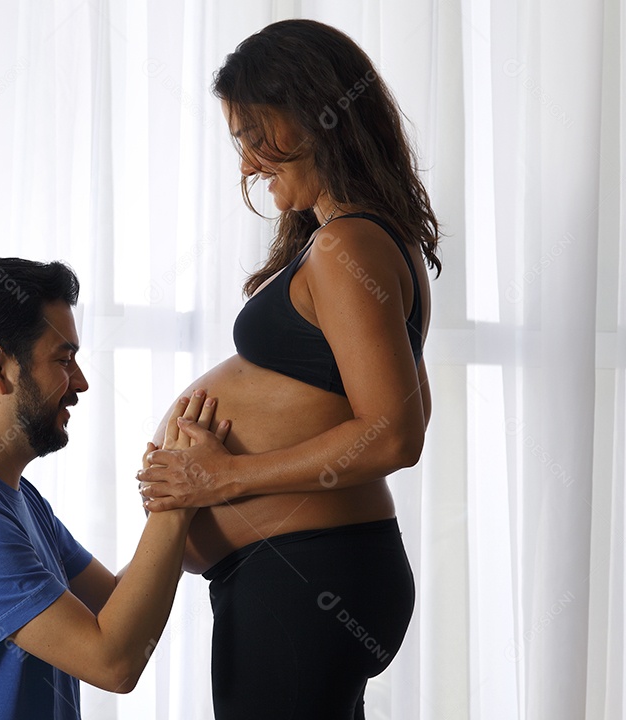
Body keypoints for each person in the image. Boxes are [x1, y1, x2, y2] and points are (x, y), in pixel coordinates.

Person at [136, 19, 441, 719]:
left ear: (314, 115)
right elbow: (406, 409)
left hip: (306, 575)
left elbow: (396, 434)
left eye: (254, 136)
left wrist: (224, 478)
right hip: (309, 571)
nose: (247, 164)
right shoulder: (355, 239)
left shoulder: (347, 247)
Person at [0, 256, 227, 719]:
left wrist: (181, 493)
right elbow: (114, 662)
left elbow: (113, 602)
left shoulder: (13, 496)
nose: (81, 382)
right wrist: (173, 503)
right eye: (64, 359)